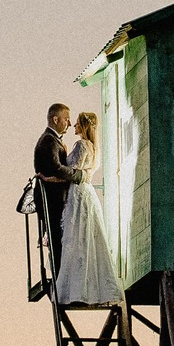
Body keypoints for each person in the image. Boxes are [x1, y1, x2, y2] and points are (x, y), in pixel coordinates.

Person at [55, 112, 123, 308]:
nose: (73, 125)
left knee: (75, 236)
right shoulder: (93, 147)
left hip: (77, 192)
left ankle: (73, 289)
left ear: (83, 126)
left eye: (76, 123)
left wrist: (53, 178)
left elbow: (72, 171)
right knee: (89, 239)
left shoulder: (81, 144)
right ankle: (90, 287)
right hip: (89, 193)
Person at [34, 104, 76, 270]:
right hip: (52, 199)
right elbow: (56, 168)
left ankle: (61, 272)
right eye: (66, 119)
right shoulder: (48, 140)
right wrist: (78, 175)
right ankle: (60, 274)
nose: (70, 123)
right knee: (57, 238)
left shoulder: (52, 139)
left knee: (59, 238)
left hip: (55, 199)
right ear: (55, 119)